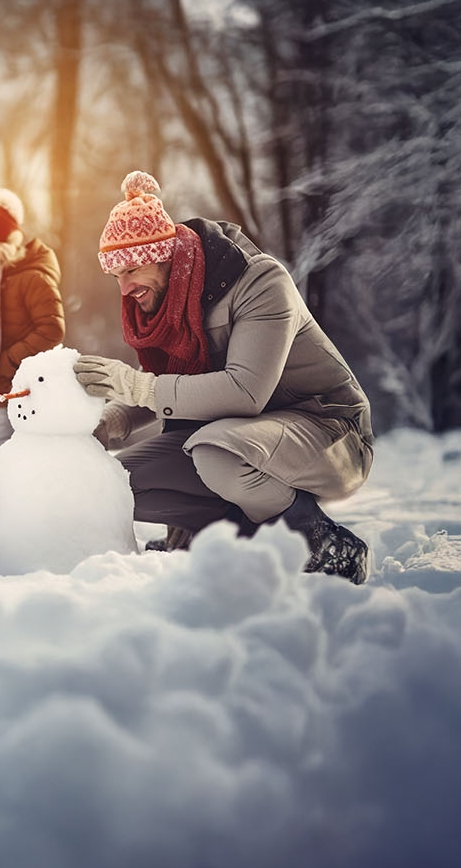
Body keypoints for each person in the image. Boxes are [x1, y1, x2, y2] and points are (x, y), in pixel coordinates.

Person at [73, 170, 374, 583]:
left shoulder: (261, 282)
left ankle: (321, 543)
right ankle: (232, 534)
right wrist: (114, 419)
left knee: (218, 455)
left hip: (327, 429)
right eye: (117, 275)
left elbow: (245, 391)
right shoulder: (163, 301)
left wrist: (134, 385)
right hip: (230, 434)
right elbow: (162, 380)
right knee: (109, 485)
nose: (124, 288)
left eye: (132, 271)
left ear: (166, 255)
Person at [0, 189, 65, 444]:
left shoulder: (32, 277)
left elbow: (51, 329)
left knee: (1, 460)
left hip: (19, 389)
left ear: (4, 238)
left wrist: (7, 363)